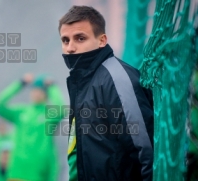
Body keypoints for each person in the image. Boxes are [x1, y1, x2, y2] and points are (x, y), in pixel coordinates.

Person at [58, 6, 154, 181]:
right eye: (65, 40)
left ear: (102, 40)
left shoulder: (116, 78)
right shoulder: (83, 80)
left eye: (80, 38)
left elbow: (146, 150)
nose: (70, 48)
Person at [0, 74, 64, 181]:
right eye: (33, 90)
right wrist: (20, 84)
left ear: (45, 94)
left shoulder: (49, 114)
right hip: (16, 171)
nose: (35, 94)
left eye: (39, 91)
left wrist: (52, 87)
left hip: (38, 174)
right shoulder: (21, 112)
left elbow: (62, 110)